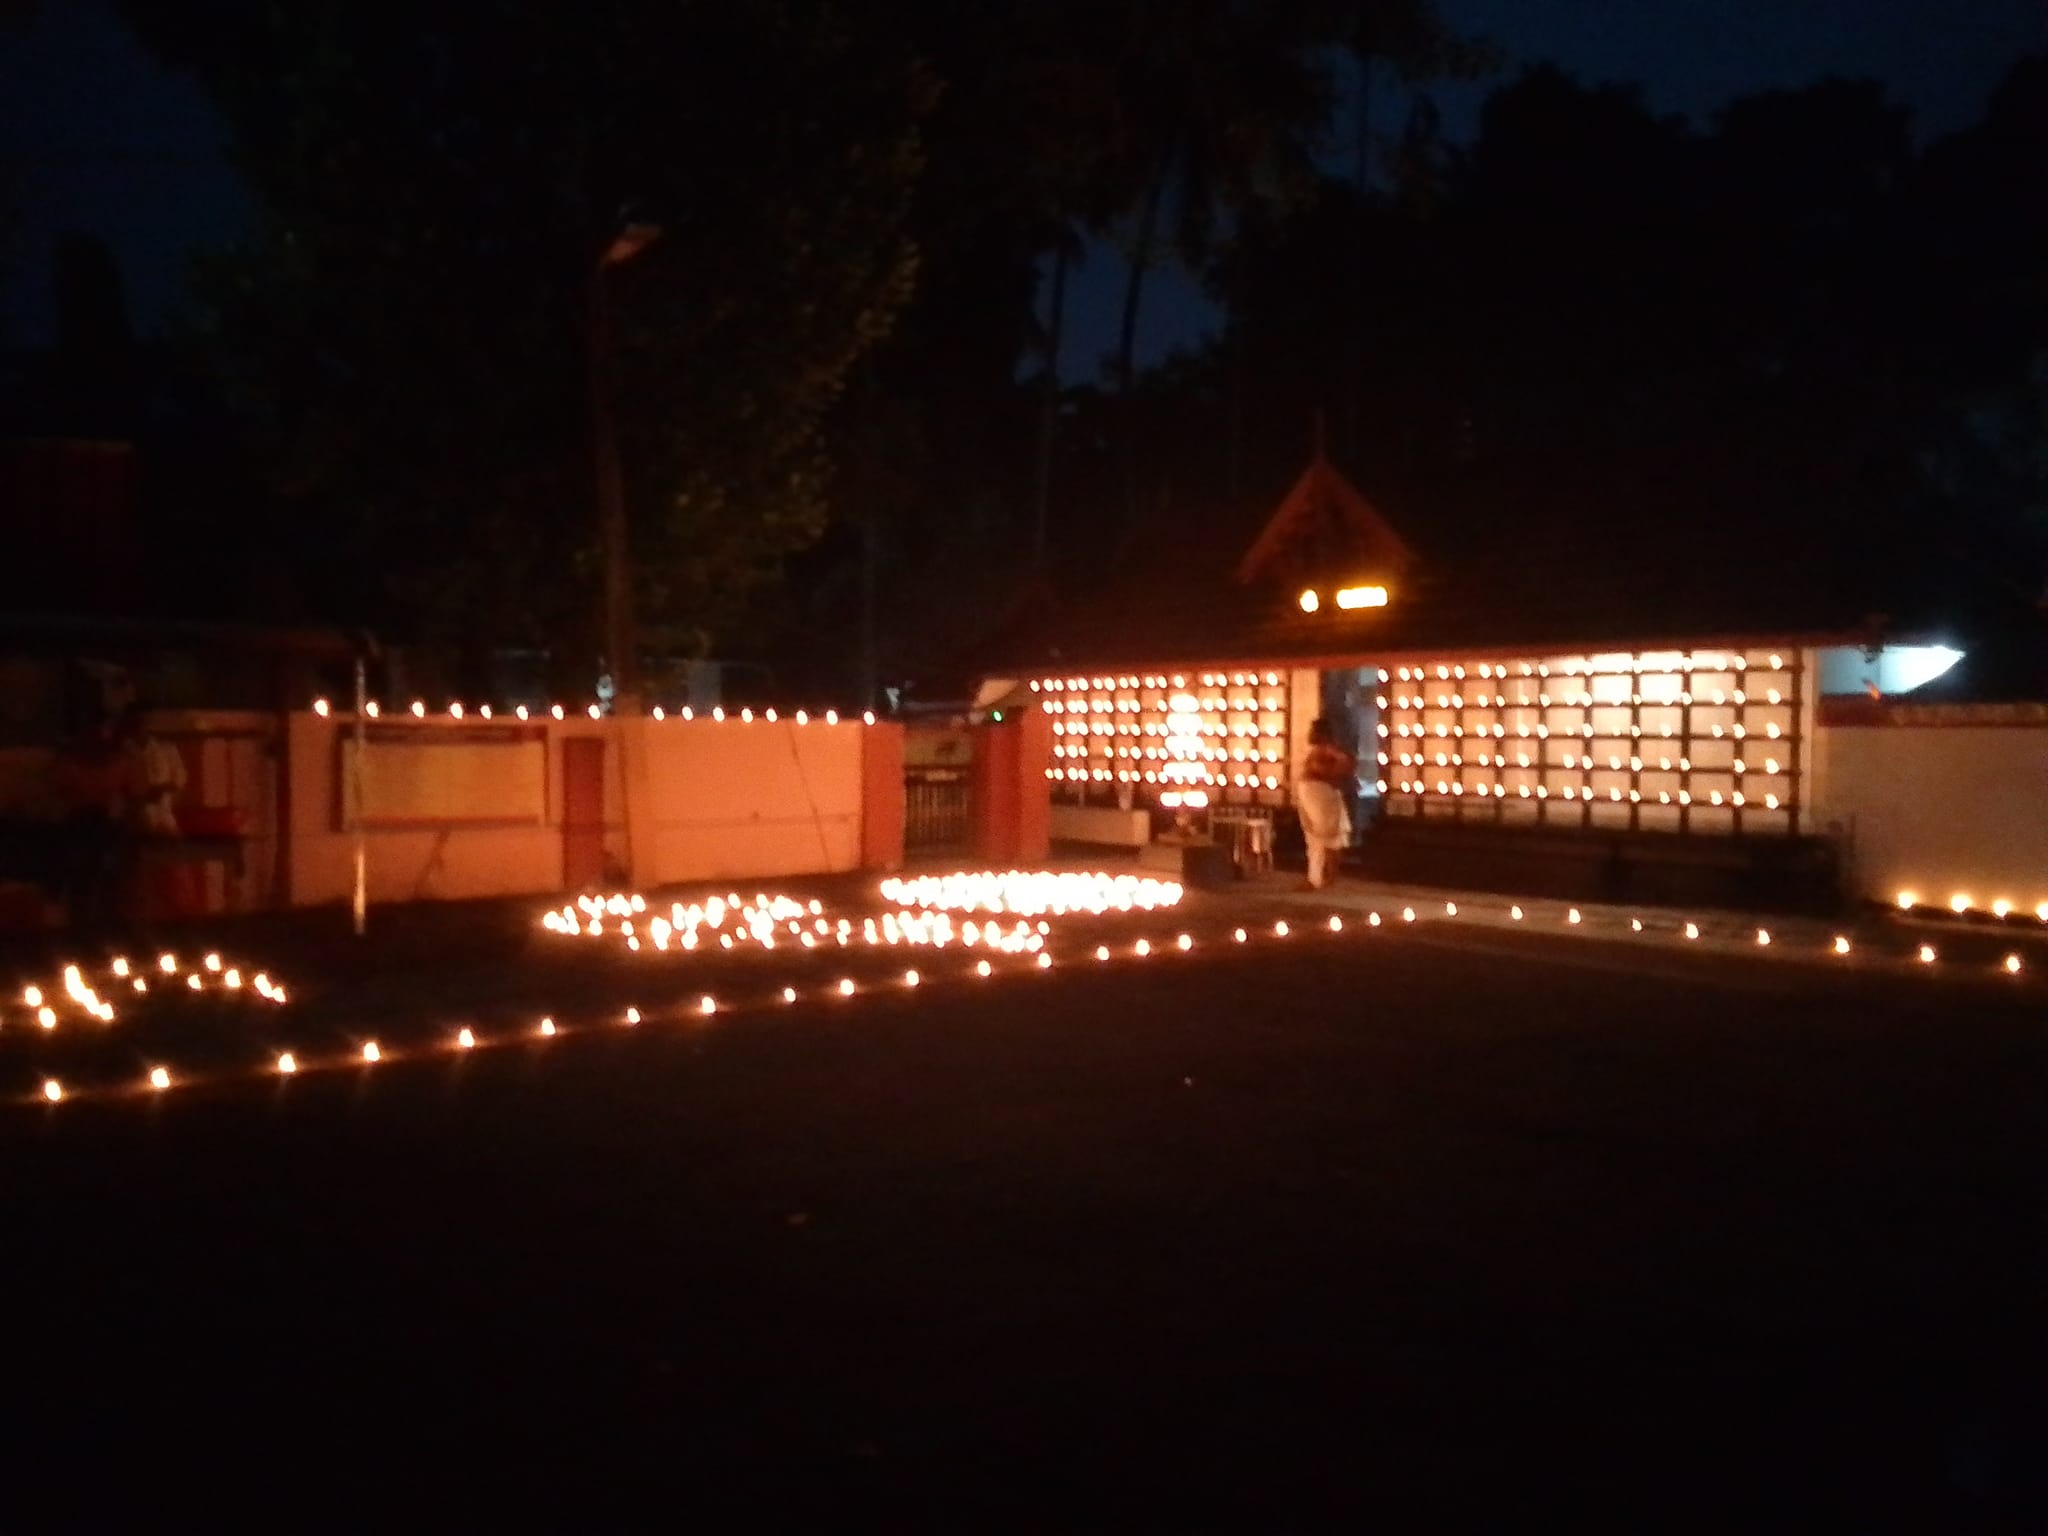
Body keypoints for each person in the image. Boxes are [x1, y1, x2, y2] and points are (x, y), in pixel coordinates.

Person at [1294, 717, 1356, 891]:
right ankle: (1317, 877)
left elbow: (1346, 762)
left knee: (1324, 835)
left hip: (1321, 792)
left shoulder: (1329, 749)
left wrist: (1329, 773)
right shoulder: (1320, 749)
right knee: (1315, 835)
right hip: (1312, 792)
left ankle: (1322, 877)